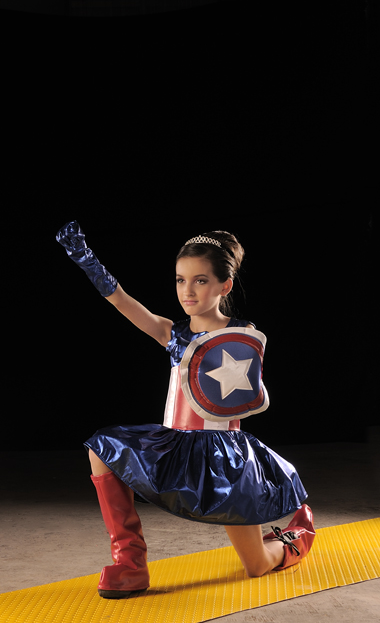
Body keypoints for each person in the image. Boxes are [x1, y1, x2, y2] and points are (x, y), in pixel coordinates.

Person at [56, 221, 315, 599]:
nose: (187, 290)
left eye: (200, 280)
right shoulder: (171, 333)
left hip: (224, 457)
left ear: (224, 286)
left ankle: (297, 537)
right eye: (180, 280)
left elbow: (249, 394)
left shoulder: (241, 334)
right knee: (102, 447)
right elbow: (122, 300)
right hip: (175, 445)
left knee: (257, 566)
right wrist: (85, 258)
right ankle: (130, 564)